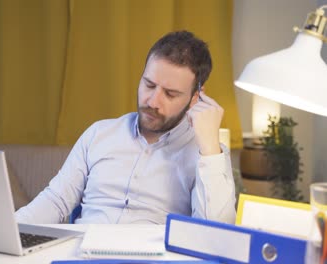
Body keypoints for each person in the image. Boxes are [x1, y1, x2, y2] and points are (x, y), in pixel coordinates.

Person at [15, 30, 236, 224]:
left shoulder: (207, 153)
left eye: (170, 94)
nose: (152, 101)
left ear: (196, 97)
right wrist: (9, 230)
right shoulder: (99, 133)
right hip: (82, 254)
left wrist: (209, 149)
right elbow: (56, 201)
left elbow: (214, 236)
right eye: (149, 85)